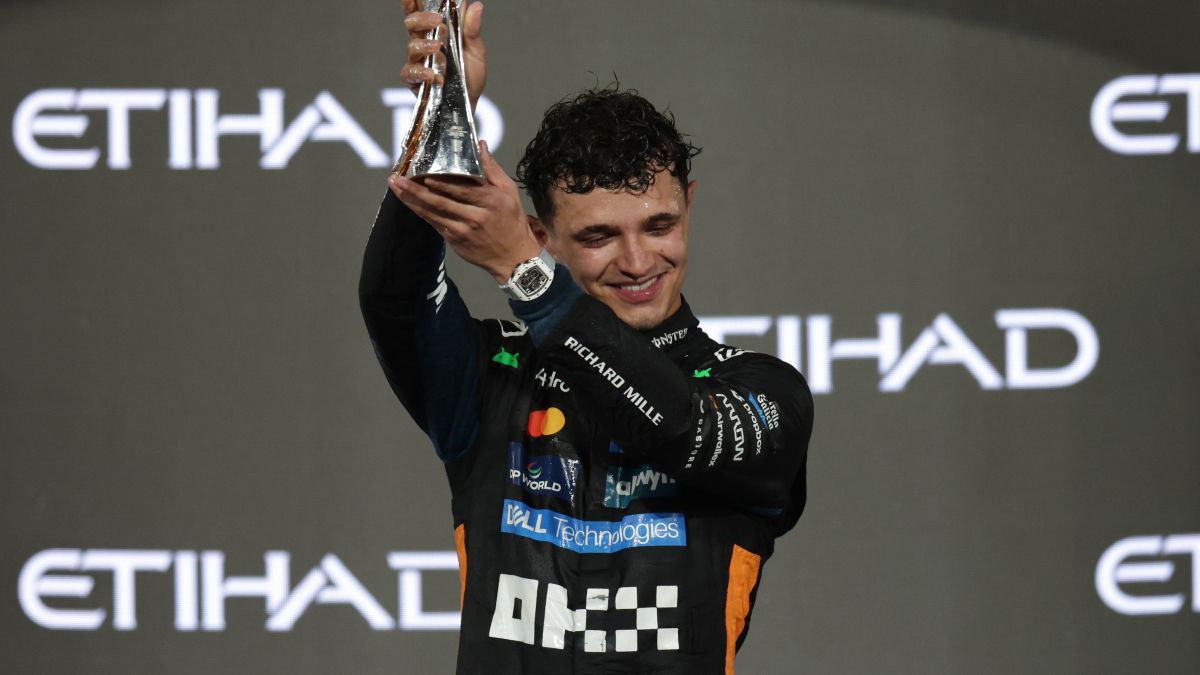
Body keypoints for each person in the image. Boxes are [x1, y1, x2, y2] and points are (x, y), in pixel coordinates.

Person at [359, 2, 813, 673]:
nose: (637, 261)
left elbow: (681, 429)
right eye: (599, 236)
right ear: (543, 235)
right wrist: (443, 115)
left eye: (659, 225)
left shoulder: (761, 392)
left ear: (690, 205)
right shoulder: (492, 379)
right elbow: (394, 299)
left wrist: (527, 274)